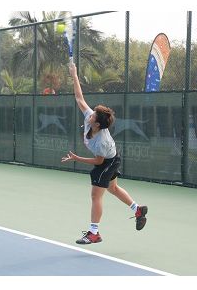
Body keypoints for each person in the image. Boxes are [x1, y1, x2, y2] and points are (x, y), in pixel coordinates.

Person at [61, 62, 148, 244]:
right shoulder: (91, 119)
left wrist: (76, 158)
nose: (90, 115)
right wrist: (74, 75)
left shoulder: (101, 141)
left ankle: (94, 233)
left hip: (107, 161)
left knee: (96, 195)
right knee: (113, 188)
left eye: (93, 115)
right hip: (112, 157)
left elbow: (99, 162)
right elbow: (79, 98)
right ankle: (138, 210)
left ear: (97, 124)